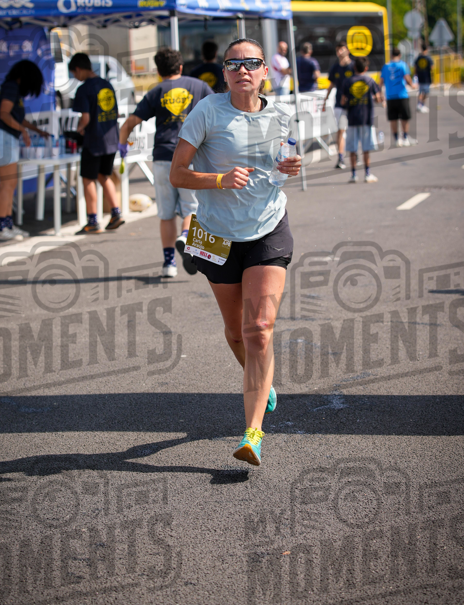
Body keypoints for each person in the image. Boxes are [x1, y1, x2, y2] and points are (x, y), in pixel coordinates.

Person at [169, 38, 301, 467]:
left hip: (267, 228)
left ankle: (253, 435)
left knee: (259, 329)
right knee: (234, 333)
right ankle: (262, 381)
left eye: (252, 63)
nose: (243, 69)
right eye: (234, 64)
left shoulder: (281, 114)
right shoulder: (207, 112)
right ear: (224, 73)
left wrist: (291, 167)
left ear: (266, 71)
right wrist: (219, 180)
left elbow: (286, 162)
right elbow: (178, 173)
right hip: (216, 235)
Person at [119, 47, 211, 277]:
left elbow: (129, 124)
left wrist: (122, 146)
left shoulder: (156, 91)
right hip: (192, 156)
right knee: (192, 208)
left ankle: (168, 264)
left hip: (162, 157)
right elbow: (218, 111)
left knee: (166, 213)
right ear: (180, 67)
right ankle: (185, 238)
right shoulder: (198, 86)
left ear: (159, 71)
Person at [0, 59, 50, 241]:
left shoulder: (13, 90)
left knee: (11, 183)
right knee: (7, 184)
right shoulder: (11, 87)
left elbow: (17, 118)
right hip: (2, 139)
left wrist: (36, 130)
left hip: (6, 139)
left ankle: (8, 224)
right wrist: (23, 131)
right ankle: (1, 226)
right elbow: (4, 114)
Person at [69, 53, 124, 234]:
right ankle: (116, 213)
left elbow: (85, 118)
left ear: (78, 69)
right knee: (104, 175)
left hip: (93, 140)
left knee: (88, 179)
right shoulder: (106, 84)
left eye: (74, 74)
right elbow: (114, 112)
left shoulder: (84, 89)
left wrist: (79, 129)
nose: (75, 78)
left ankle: (92, 221)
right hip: (111, 138)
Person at [342, 56, 384, 183]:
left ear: (354, 67)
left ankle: (354, 175)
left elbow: (343, 100)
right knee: (366, 148)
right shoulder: (370, 81)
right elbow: (378, 98)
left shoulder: (348, 82)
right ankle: (367, 173)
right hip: (366, 118)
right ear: (366, 68)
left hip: (352, 118)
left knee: (353, 148)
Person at [322, 41, 355, 169]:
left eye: (342, 49)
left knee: (352, 130)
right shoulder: (335, 68)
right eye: (337, 50)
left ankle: (353, 153)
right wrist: (325, 100)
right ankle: (341, 158)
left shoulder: (353, 66)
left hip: (353, 105)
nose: (339, 52)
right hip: (339, 105)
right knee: (341, 130)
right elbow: (331, 84)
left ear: (348, 50)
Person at [380, 47, 418, 146]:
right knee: (404, 118)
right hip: (402, 95)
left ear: (391, 55)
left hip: (390, 96)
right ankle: (405, 137)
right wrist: (413, 85)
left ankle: (396, 139)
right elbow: (407, 78)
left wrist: (379, 94)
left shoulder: (385, 66)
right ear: (400, 55)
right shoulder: (402, 65)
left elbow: (380, 82)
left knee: (393, 118)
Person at [414, 44, 434, 113]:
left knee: (420, 91)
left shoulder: (418, 58)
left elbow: (415, 67)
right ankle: (422, 105)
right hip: (427, 77)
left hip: (420, 77)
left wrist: (415, 75)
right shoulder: (428, 58)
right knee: (425, 92)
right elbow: (432, 67)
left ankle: (419, 104)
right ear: (427, 49)